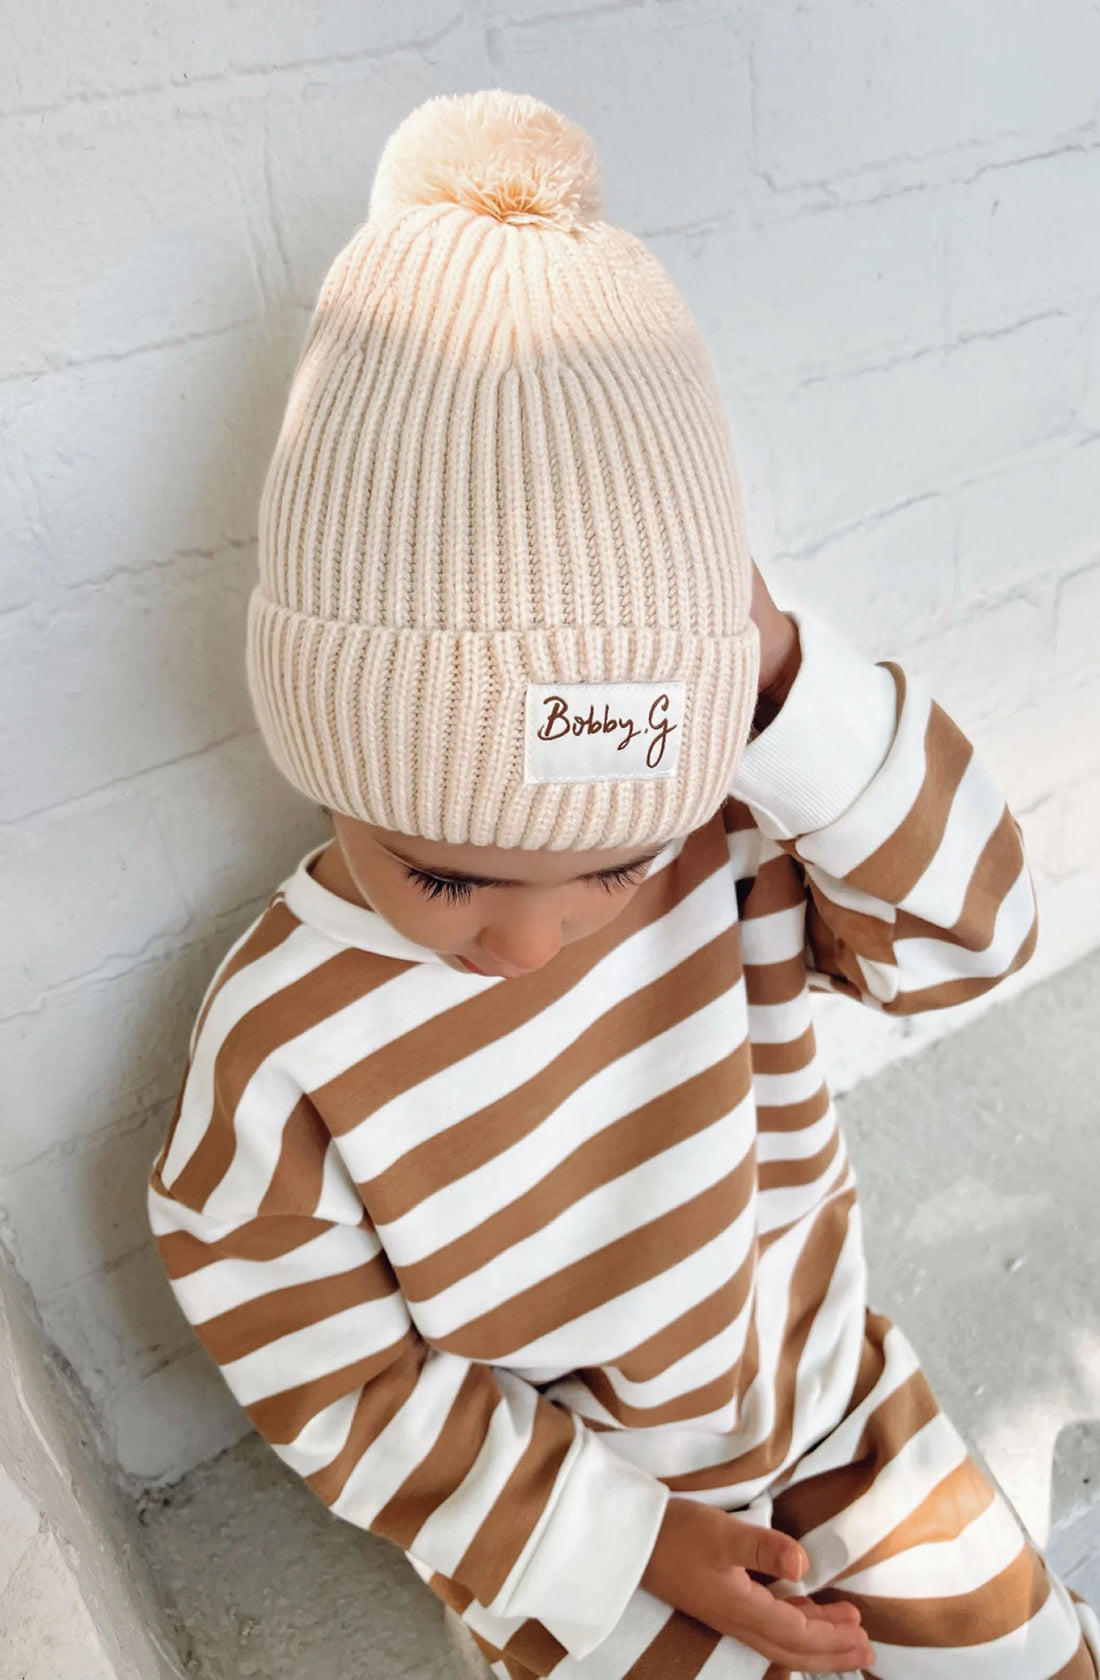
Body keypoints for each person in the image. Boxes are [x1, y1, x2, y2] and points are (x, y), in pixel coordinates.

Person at [146, 88, 1099, 1680]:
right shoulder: (282, 1046)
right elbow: (337, 1380)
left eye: (611, 865)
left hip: (836, 1411)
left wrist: (775, 684)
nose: (528, 940)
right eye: (442, 873)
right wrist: (638, 1545)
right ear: (328, 757)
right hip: (584, 1536)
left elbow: (976, 931)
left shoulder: (730, 834)